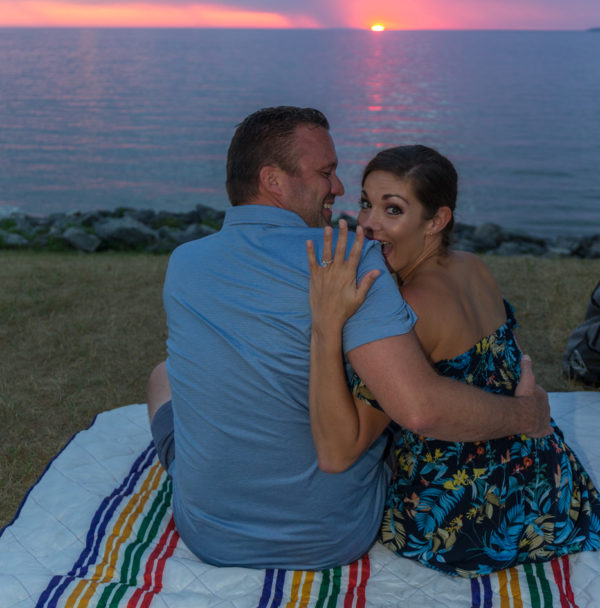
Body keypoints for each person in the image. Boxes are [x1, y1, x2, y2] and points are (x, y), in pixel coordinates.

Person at [148, 108, 550, 570]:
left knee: (163, 376)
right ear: (273, 181)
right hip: (330, 534)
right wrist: (526, 413)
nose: (336, 188)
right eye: (326, 172)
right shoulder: (354, 261)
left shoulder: (184, 262)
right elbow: (419, 409)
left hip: (208, 533)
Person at [306, 144, 600, 577]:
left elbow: (340, 449)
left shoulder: (406, 308)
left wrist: (326, 325)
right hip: (550, 491)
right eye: (366, 203)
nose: (367, 224)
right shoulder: (473, 266)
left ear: (437, 220)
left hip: (466, 520)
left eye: (393, 210)